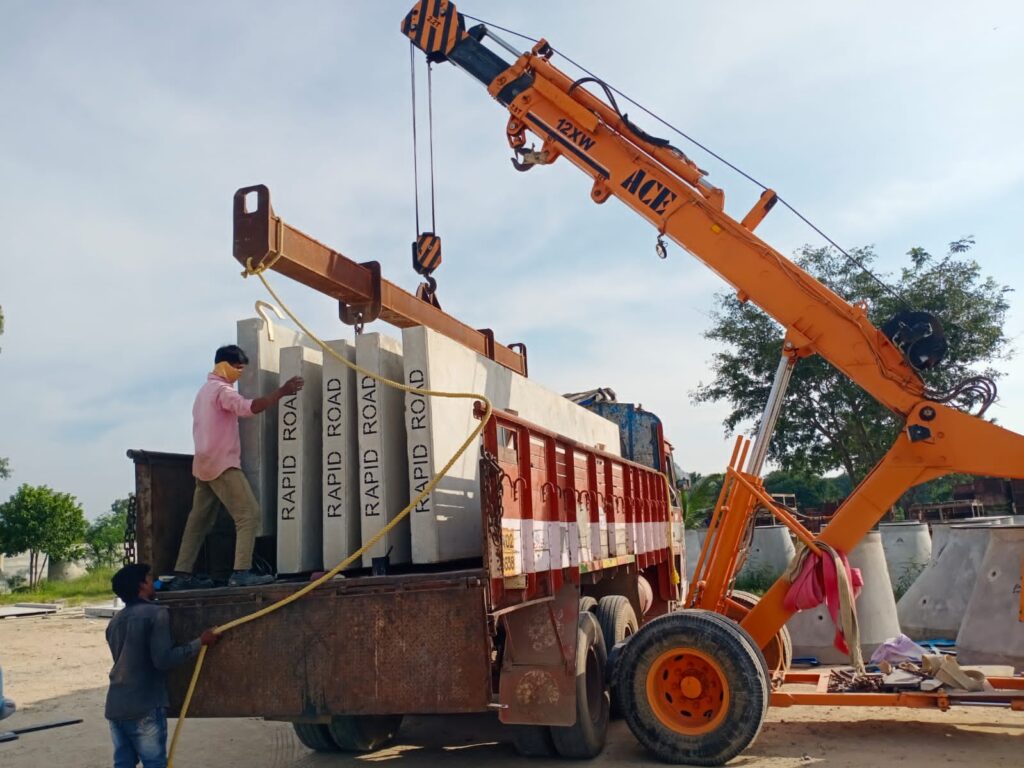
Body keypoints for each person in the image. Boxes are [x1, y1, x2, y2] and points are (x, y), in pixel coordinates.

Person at [170, 344, 303, 589]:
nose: (240, 373)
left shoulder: (203, 392)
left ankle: (182, 574)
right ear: (223, 365)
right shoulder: (222, 391)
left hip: (202, 464)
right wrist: (282, 392)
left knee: (198, 521)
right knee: (248, 514)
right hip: (222, 463)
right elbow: (249, 408)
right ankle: (241, 572)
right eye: (237, 367)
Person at [105, 563, 218, 768]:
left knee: (123, 764)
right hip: (144, 705)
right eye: (150, 579)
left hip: (116, 706)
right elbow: (163, 660)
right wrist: (200, 642)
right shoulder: (156, 613)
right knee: (155, 764)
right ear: (141, 585)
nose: (154, 582)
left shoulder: (114, 622)